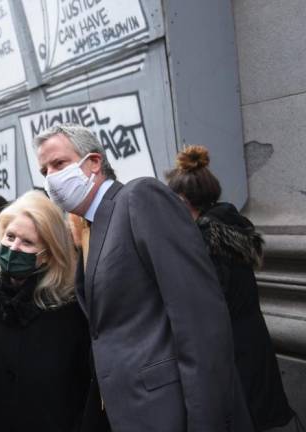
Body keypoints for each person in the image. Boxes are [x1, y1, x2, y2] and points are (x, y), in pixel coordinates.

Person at [35, 123, 253, 431]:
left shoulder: (139, 197)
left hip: (173, 410)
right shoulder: (90, 228)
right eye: (44, 171)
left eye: (59, 164)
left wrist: (207, 421)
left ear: (94, 162)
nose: (51, 178)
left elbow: (199, 318)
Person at [167, 145, 295, 431]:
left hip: (231, 352)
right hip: (252, 341)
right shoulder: (230, 225)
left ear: (185, 200)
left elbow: (208, 304)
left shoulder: (203, 240)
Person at [0, 191, 107, 431]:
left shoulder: (71, 307)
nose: (14, 247)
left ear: (47, 254)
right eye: (10, 236)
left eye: (27, 242)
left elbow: (84, 383)